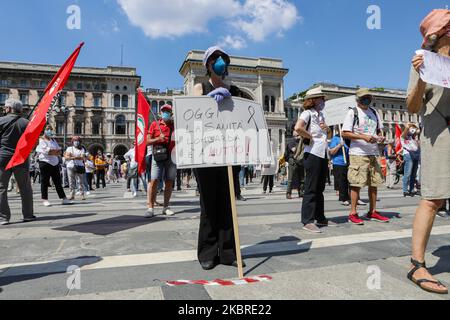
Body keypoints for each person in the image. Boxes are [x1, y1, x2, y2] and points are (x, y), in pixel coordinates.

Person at [406, 9, 449, 295]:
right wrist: (421, 76)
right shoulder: (423, 60)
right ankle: (417, 263)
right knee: (433, 198)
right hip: (438, 133)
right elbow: (411, 106)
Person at [192, 46, 247, 270]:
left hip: (229, 154)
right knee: (209, 204)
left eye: (223, 58)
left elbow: (243, 119)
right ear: (207, 64)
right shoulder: (200, 87)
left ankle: (227, 252)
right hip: (205, 155)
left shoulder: (234, 91)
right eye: (216, 58)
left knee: (227, 203)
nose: (220, 62)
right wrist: (209, 100)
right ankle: (207, 252)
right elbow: (194, 113)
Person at [342, 88, 390, 225]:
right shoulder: (353, 112)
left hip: (374, 152)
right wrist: (363, 137)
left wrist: (380, 138)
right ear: (357, 99)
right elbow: (345, 133)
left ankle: (373, 211)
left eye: (369, 97)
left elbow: (379, 130)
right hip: (358, 153)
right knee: (356, 183)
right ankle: (353, 212)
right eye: (364, 97)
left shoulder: (374, 112)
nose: (367, 99)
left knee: (374, 183)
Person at [295, 87, 335, 233]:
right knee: (311, 188)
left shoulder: (321, 116)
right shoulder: (307, 113)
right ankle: (307, 220)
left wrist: (327, 129)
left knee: (320, 188)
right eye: (321, 98)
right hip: (312, 153)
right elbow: (298, 127)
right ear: (313, 100)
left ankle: (320, 217)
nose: (323, 101)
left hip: (323, 153)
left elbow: (329, 136)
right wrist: (310, 137)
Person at [0, 99, 35, 225]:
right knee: (25, 187)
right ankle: (28, 215)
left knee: (1, 188)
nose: (4, 109)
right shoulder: (27, 123)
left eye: (5, 107)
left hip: (2, 158)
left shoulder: (1, 120)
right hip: (21, 158)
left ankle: (3, 218)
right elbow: (32, 142)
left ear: (9, 108)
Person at [146, 104, 176, 217]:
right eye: (164, 111)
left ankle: (166, 207)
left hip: (172, 157)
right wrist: (158, 138)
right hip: (158, 157)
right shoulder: (155, 124)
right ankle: (150, 208)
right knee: (154, 181)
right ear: (160, 112)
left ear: (171, 113)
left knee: (169, 182)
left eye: (168, 111)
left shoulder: (175, 125)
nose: (165, 113)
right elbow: (147, 142)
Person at [36, 125, 71, 207]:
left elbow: (59, 151)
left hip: (54, 163)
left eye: (51, 129)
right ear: (44, 130)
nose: (50, 131)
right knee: (45, 182)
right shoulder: (41, 140)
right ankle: (45, 199)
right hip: (45, 163)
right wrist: (54, 152)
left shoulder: (53, 140)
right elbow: (48, 152)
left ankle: (64, 198)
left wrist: (53, 151)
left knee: (58, 182)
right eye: (48, 129)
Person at [328, 127, 350, 206]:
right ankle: (344, 198)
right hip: (339, 163)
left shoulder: (348, 138)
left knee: (351, 181)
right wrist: (339, 145)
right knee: (342, 181)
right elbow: (331, 152)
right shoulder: (335, 138)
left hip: (348, 161)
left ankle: (354, 197)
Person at [401, 123, 421, 197]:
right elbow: (406, 128)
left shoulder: (413, 138)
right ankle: (405, 190)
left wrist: (415, 126)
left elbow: (418, 131)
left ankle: (411, 190)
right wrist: (410, 125)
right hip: (408, 155)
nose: (412, 130)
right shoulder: (403, 137)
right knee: (408, 173)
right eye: (411, 129)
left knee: (413, 174)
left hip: (415, 155)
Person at [64, 136, 86, 201]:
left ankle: (82, 194)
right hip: (70, 166)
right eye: (75, 141)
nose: (76, 142)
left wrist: (72, 156)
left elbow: (82, 158)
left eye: (77, 141)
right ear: (72, 142)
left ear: (80, 142)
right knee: (71, 181)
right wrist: (75, 157)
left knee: (80, 181)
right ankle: (72, 195)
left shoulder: (82, 149)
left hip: (80, 166)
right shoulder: (69, 148)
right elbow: (66, 157)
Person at [285, 131, 305, 199]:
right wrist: (300, 142)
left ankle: (301, 192)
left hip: (301, 161)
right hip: (293, 161)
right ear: (295, 135)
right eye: (298, 135)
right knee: (291, 178)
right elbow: (295, 150)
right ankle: (288, 193)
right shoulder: (292, 142)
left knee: (302, 178)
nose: (299, 136)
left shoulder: (302, 141)